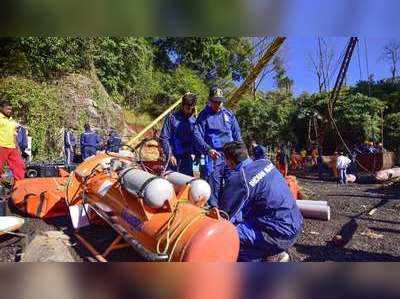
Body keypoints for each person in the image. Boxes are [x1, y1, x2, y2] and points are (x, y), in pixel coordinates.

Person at [219, 141, 303, 262]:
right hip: (296, 222)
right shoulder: (265, 163)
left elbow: (223, 217)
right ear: (247, 154)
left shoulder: (240, 179)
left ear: (229, 161)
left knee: (228, 233)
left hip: (280, 235)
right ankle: (274, 254)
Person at [193, 87, 242, 207]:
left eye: (220, 101)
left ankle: (230, 209)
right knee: (212, 183)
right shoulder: (203, 116)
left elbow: (237, 135)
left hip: (230, 155)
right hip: (213, 155)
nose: (218, 104)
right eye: (215, 101)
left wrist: (241, 156)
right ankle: (212, 209)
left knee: (234, 182)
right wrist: (208, 149)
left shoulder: (229, 115)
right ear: (210, 101)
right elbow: (197, 135)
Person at [160, 93, 197, 176]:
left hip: (187, 159)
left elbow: (196, 139)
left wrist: (196, 154)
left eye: (191, 107)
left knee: (187, 184)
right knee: (171, 183)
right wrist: (170, 155)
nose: (189, 109)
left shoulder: (194, 121)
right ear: (182, 105)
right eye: (187, 107)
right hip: (173, 158)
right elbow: (164, 138)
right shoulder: (172, 118)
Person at [0, 100, 25, 181]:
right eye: (7, 109)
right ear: (1, 108)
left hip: (12, 147)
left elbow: (14, 135)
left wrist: (17, 148)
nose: (9, 111)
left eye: (10, 109)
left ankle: (19, 185)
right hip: (1, 146)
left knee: (19, 165)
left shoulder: (12, 121)